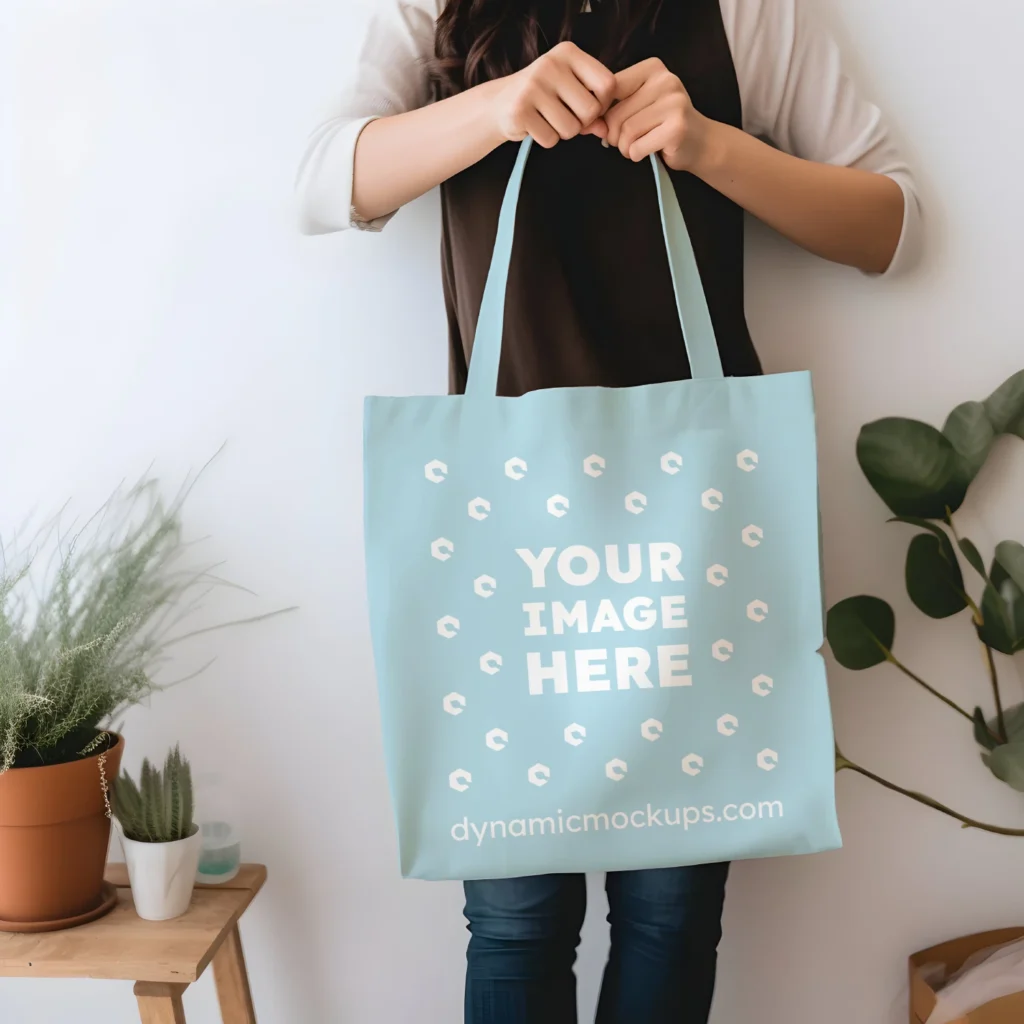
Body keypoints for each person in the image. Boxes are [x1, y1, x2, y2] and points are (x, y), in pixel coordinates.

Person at [296, 0, 918, 1020]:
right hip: (512, 536)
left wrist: (707, 145)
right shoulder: (437, 6)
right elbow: (324, 185)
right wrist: (497, 108)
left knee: (669, 915)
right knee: (516, 918)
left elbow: (889, 227)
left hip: (696, 532)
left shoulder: (747, 9)